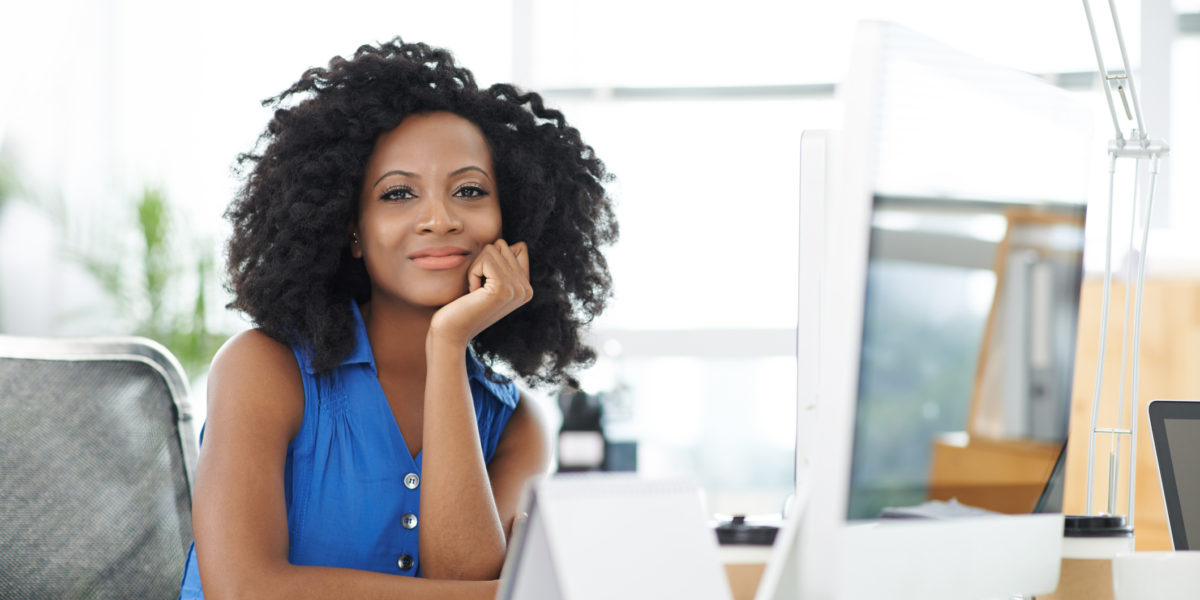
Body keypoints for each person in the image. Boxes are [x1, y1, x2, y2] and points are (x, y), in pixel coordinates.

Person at [178, 38, 617, 599]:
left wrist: (449, 341)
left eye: (468, 191)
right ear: (351, 228)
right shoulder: (262, 369)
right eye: (399, 194)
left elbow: (459, 574)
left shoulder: (518, 425)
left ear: (511, 219)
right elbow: (245, 590)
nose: (439, 219)